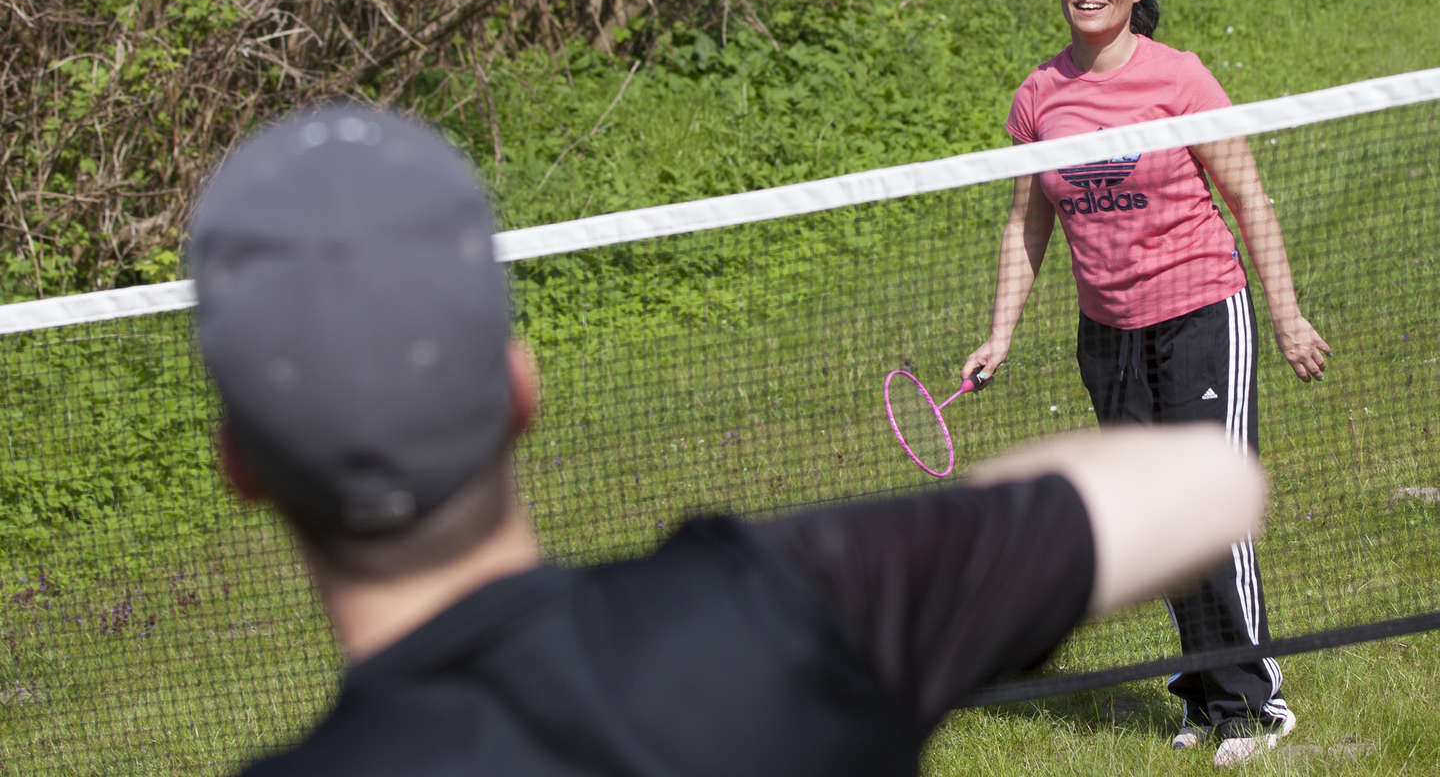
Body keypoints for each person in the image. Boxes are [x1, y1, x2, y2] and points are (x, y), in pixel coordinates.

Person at [189, 103, 1269, 777]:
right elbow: (1209, 482)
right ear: (522, 388)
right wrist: (956, 541)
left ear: (241, 464)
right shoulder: (798, 611)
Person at [961, 0, 1330, 767]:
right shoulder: (1038, 99)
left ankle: (1254, 705)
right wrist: (999, 334)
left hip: (1203, 309)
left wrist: (1286, 312)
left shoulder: (1182, 80)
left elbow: (1250, 199)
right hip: (1108, 332)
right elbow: (1029, 225)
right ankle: (1202, 694)